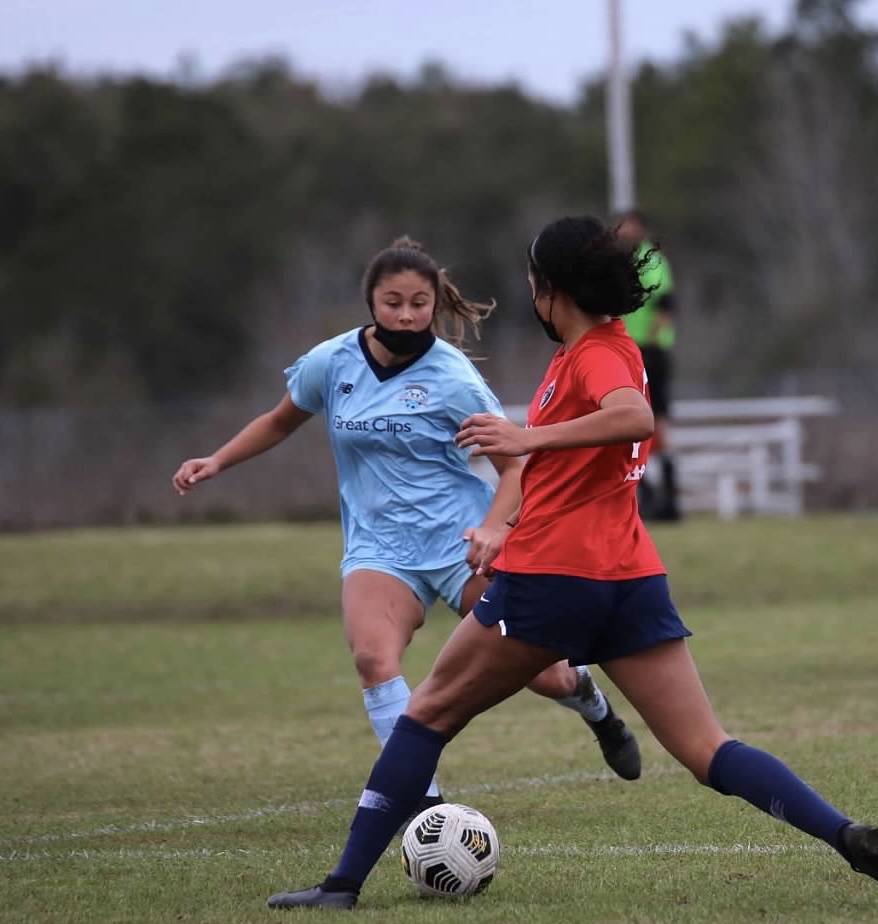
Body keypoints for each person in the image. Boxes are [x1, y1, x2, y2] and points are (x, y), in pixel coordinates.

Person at [268, 216, 878, 912]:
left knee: (425, 717)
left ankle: (341, 885)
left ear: (549, 288)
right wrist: (501, 520)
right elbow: (573, 465)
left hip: (553, 578)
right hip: (627, 577)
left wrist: (525, 436)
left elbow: (632, 417)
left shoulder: (596, 354)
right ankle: (847, 839)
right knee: (706, 749)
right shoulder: (598, 349)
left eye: (533, 284)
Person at [172, 238, 643, 807]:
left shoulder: (453, 377)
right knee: (373, 658)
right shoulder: (334, 362)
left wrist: (495, 529)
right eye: (392, 301)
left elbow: (515, 467)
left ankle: (593, 705)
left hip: (461, 544)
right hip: (379, 550)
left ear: (434, 305)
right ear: (370, 301)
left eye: (419, 303)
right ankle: (425, 807)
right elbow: (279, 421)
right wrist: (217, 460)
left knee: (545, 673)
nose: (406, 314)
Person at [616, 209, 681, 521]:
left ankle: (666, 495)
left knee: (656, 421)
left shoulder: (648, 259)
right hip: (627, 351)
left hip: (648, 352)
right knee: (625, 422)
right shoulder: (617, 261)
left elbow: (664, 305)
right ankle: (645, 491)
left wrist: (651, 346)